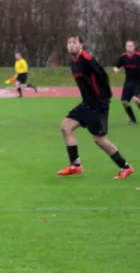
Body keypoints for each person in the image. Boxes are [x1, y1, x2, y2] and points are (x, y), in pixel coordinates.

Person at [57, 35, 134, 179]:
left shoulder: (87, 60)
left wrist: (104, 97)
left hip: (98, 104)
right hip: (86, 103)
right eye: (69, 43)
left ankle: (126, 167)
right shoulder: (73, 62)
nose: (71, 45)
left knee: (99, 139)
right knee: (66, 127)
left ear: (81, 45)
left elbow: (103, 76)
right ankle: (75, 165)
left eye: (74, 43)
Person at [113, 40, 140, 125]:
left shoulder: (138, 56)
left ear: (134, 47)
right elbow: (116, 66)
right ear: (126, 47)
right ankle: (133, 119)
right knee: (124, 102)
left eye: (131, 46)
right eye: (128, 46)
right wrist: (116, 70)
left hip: (138, 82)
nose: (129, 48)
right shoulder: (123, 57)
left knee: (136, 99)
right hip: (128, 82)